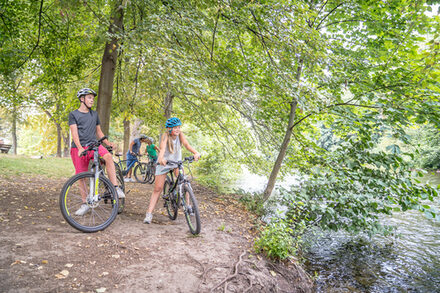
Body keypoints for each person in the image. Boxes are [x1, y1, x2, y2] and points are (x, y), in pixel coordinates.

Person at [68, 88, 125, 216]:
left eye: (93, 98)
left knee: (108, 157)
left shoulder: (94, 114)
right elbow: (74, 133)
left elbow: (98, 131)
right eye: (89, 97)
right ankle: (85, 203)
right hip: (79, 147)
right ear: (82, 99)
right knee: (81, 176)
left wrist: (107, 143)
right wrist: (80, 147)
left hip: (94, 144)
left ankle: (115, 188)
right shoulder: (73, 114)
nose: (92, 100)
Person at [143, 117, 200, 224]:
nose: (178, 129)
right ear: (169, 129)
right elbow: (162, 148)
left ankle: (188, 206)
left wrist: (195, 152)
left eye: (179, 127)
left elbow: (187, 145)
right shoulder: (165, 136)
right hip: (164, 163)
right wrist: (160, 158)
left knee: (185, 181)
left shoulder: (180, 135)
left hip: (176, 162)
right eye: (175, 128)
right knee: (158, 188)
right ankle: (149, 214)